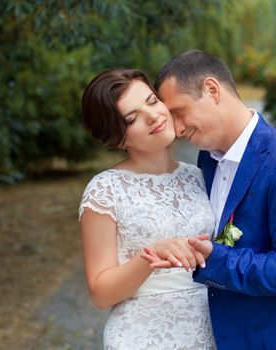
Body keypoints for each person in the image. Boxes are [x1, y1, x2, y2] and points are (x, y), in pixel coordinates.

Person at [142, 50, 276, 349]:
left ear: (212, 89)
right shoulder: (207, 160)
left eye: (179, 113)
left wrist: (213, 259)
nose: (178, 129)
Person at [78, 67, 216, 349]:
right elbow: (101, 293)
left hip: (211, 328)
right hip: (143, 335)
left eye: (152, 101)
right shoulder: (105, 191)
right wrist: (149, 257)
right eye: (132, 118)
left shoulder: (200, 176)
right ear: (117, 138)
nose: (153, 116)